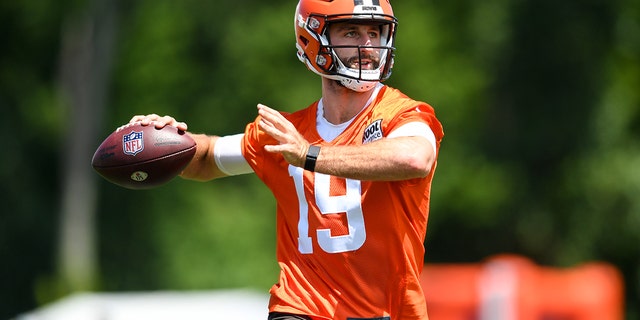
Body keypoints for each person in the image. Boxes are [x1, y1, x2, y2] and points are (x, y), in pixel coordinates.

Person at [129, 0, 443, 319]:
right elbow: (207, 159)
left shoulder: (402, 114)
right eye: (351, 32)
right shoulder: (288, 132)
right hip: (299, 307)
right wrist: (165, 137)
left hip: (385, 312)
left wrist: (309, 155)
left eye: (375, 33)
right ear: (313, 39)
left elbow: (415, 157)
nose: (368, 45)